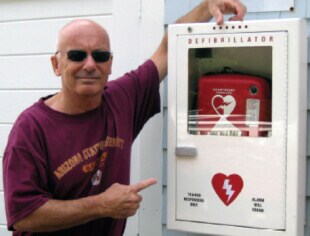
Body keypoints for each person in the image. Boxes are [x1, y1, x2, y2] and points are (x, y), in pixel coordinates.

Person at [3, 0, 246, 235]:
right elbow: (24, 214)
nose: (89, 65)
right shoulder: (31, 128)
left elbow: (169, 48)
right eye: (77, 55)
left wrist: (207, 6)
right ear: (57, 64)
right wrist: (101, 205)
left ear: (110, 64)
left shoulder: (122, 99)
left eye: (100, 56)